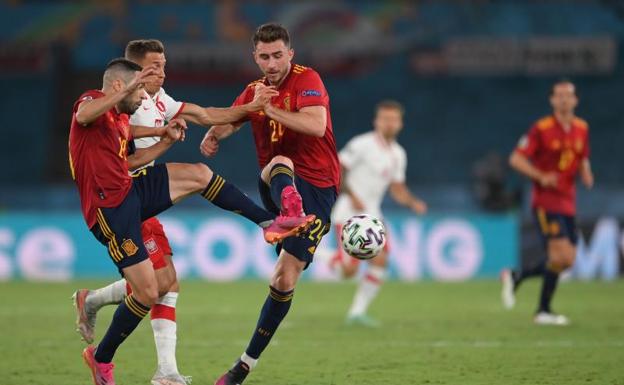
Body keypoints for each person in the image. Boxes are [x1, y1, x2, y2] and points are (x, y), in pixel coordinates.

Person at [70, 58, 315, 385]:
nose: (143, 98)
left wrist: (165, 140)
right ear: (119, 85)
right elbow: (84, 115)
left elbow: (132, 161)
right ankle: (101, 359)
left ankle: (269, 222)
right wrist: (130, 90)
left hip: (130, 189)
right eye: (138, 89)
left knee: (198, 175)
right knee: (147, 292)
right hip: (109, 210)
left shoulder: (119, 120)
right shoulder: (89, 102)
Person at [200, 23, 340, 385]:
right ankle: (288, 212)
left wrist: (269, 108)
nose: (272, 63)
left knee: (283, 279)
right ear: (255, 57)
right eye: (264, 56)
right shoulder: (253, 90)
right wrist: (216, 133)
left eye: (278, 55)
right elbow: (236, 117)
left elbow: (317, 126)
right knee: (279, 163)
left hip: (320, 189)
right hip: (280, 185)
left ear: (290, 54)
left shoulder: (308, 79)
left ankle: (244, 364)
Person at [501, 79, 593, 326]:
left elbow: (582, 156)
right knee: (558, 255)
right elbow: (516, 160)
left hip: (568, 201)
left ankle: (517, 276)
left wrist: (586, 172)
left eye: (568, 95)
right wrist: (540, 176)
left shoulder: (582, 128)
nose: (564, 99)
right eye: (559, 95)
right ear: (552, 100)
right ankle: (543, 310)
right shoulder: (541, 128)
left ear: (575, 100)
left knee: (567, 261)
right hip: (546, 201)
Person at [330, 100, 427, 327]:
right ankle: (331, 261)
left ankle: (356, 312)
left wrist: (413, 203)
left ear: (400, 123)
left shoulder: (398, 154)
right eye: (385, 118)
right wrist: (351, 194)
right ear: (376, 121)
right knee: (348, 271)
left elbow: (397, 188)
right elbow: (337, 168)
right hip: (348, 214)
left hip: (373, 216)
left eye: (393, 119)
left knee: (381, 260)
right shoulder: (362, 144)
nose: (389, 123)